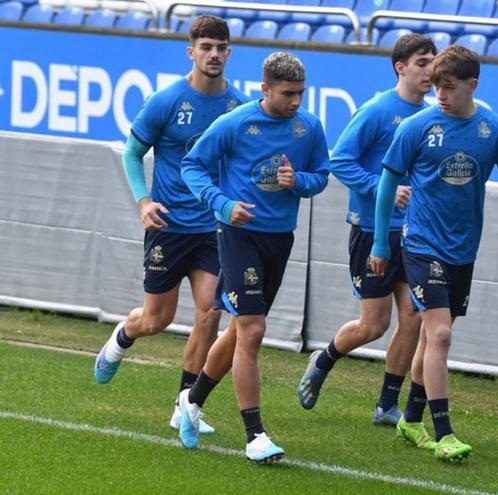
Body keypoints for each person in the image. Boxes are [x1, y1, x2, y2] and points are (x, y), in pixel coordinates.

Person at [369, 45, 498, 461]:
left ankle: (410, 419)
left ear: (472, 86)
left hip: (463, 248)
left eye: (448, 88)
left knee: (434, 337)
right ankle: (444, 433)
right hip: (421, 243)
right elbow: (387, 185)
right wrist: (378, 243)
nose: (440, 95)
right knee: (441, 333)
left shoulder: (493, 129)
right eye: (436, 87)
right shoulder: (417, 126)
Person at [93, 15, 248, 436]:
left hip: (212, 226)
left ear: (229, 53)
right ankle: (124, 335)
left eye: (220, 48)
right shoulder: (166, 101)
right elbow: (131, 152)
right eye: (206, 48)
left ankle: (185, 404)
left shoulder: (238, 106)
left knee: (210, 311)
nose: (213, 55)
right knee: (157, 319)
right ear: (191, 52)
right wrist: (143, 201)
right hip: (168, 224)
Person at [177, 52, 330, 463]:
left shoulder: (309, 127)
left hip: (279, 239)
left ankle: (191, 403)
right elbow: (192, 167)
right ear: (265, 89)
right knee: (254, 329)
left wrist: (299, 181)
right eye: (287, 94)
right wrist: (223, 205)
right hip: (238, 235)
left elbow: (321, 176)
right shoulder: (236, 123)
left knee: (239, 332)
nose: (296, 101)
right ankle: (254, 436)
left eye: (300, 93)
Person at [296, 34, 437, 429]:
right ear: (401, 67)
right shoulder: (378, 110)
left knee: (414, 319)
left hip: (413, 233)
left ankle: (386, 405)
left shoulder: (429, 116)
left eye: (433, 62)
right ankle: (323, 359)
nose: (431, 70)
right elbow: (339, 160)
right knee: (373, 326)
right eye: (423, 62)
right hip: (371, 229)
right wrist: (383, 190)